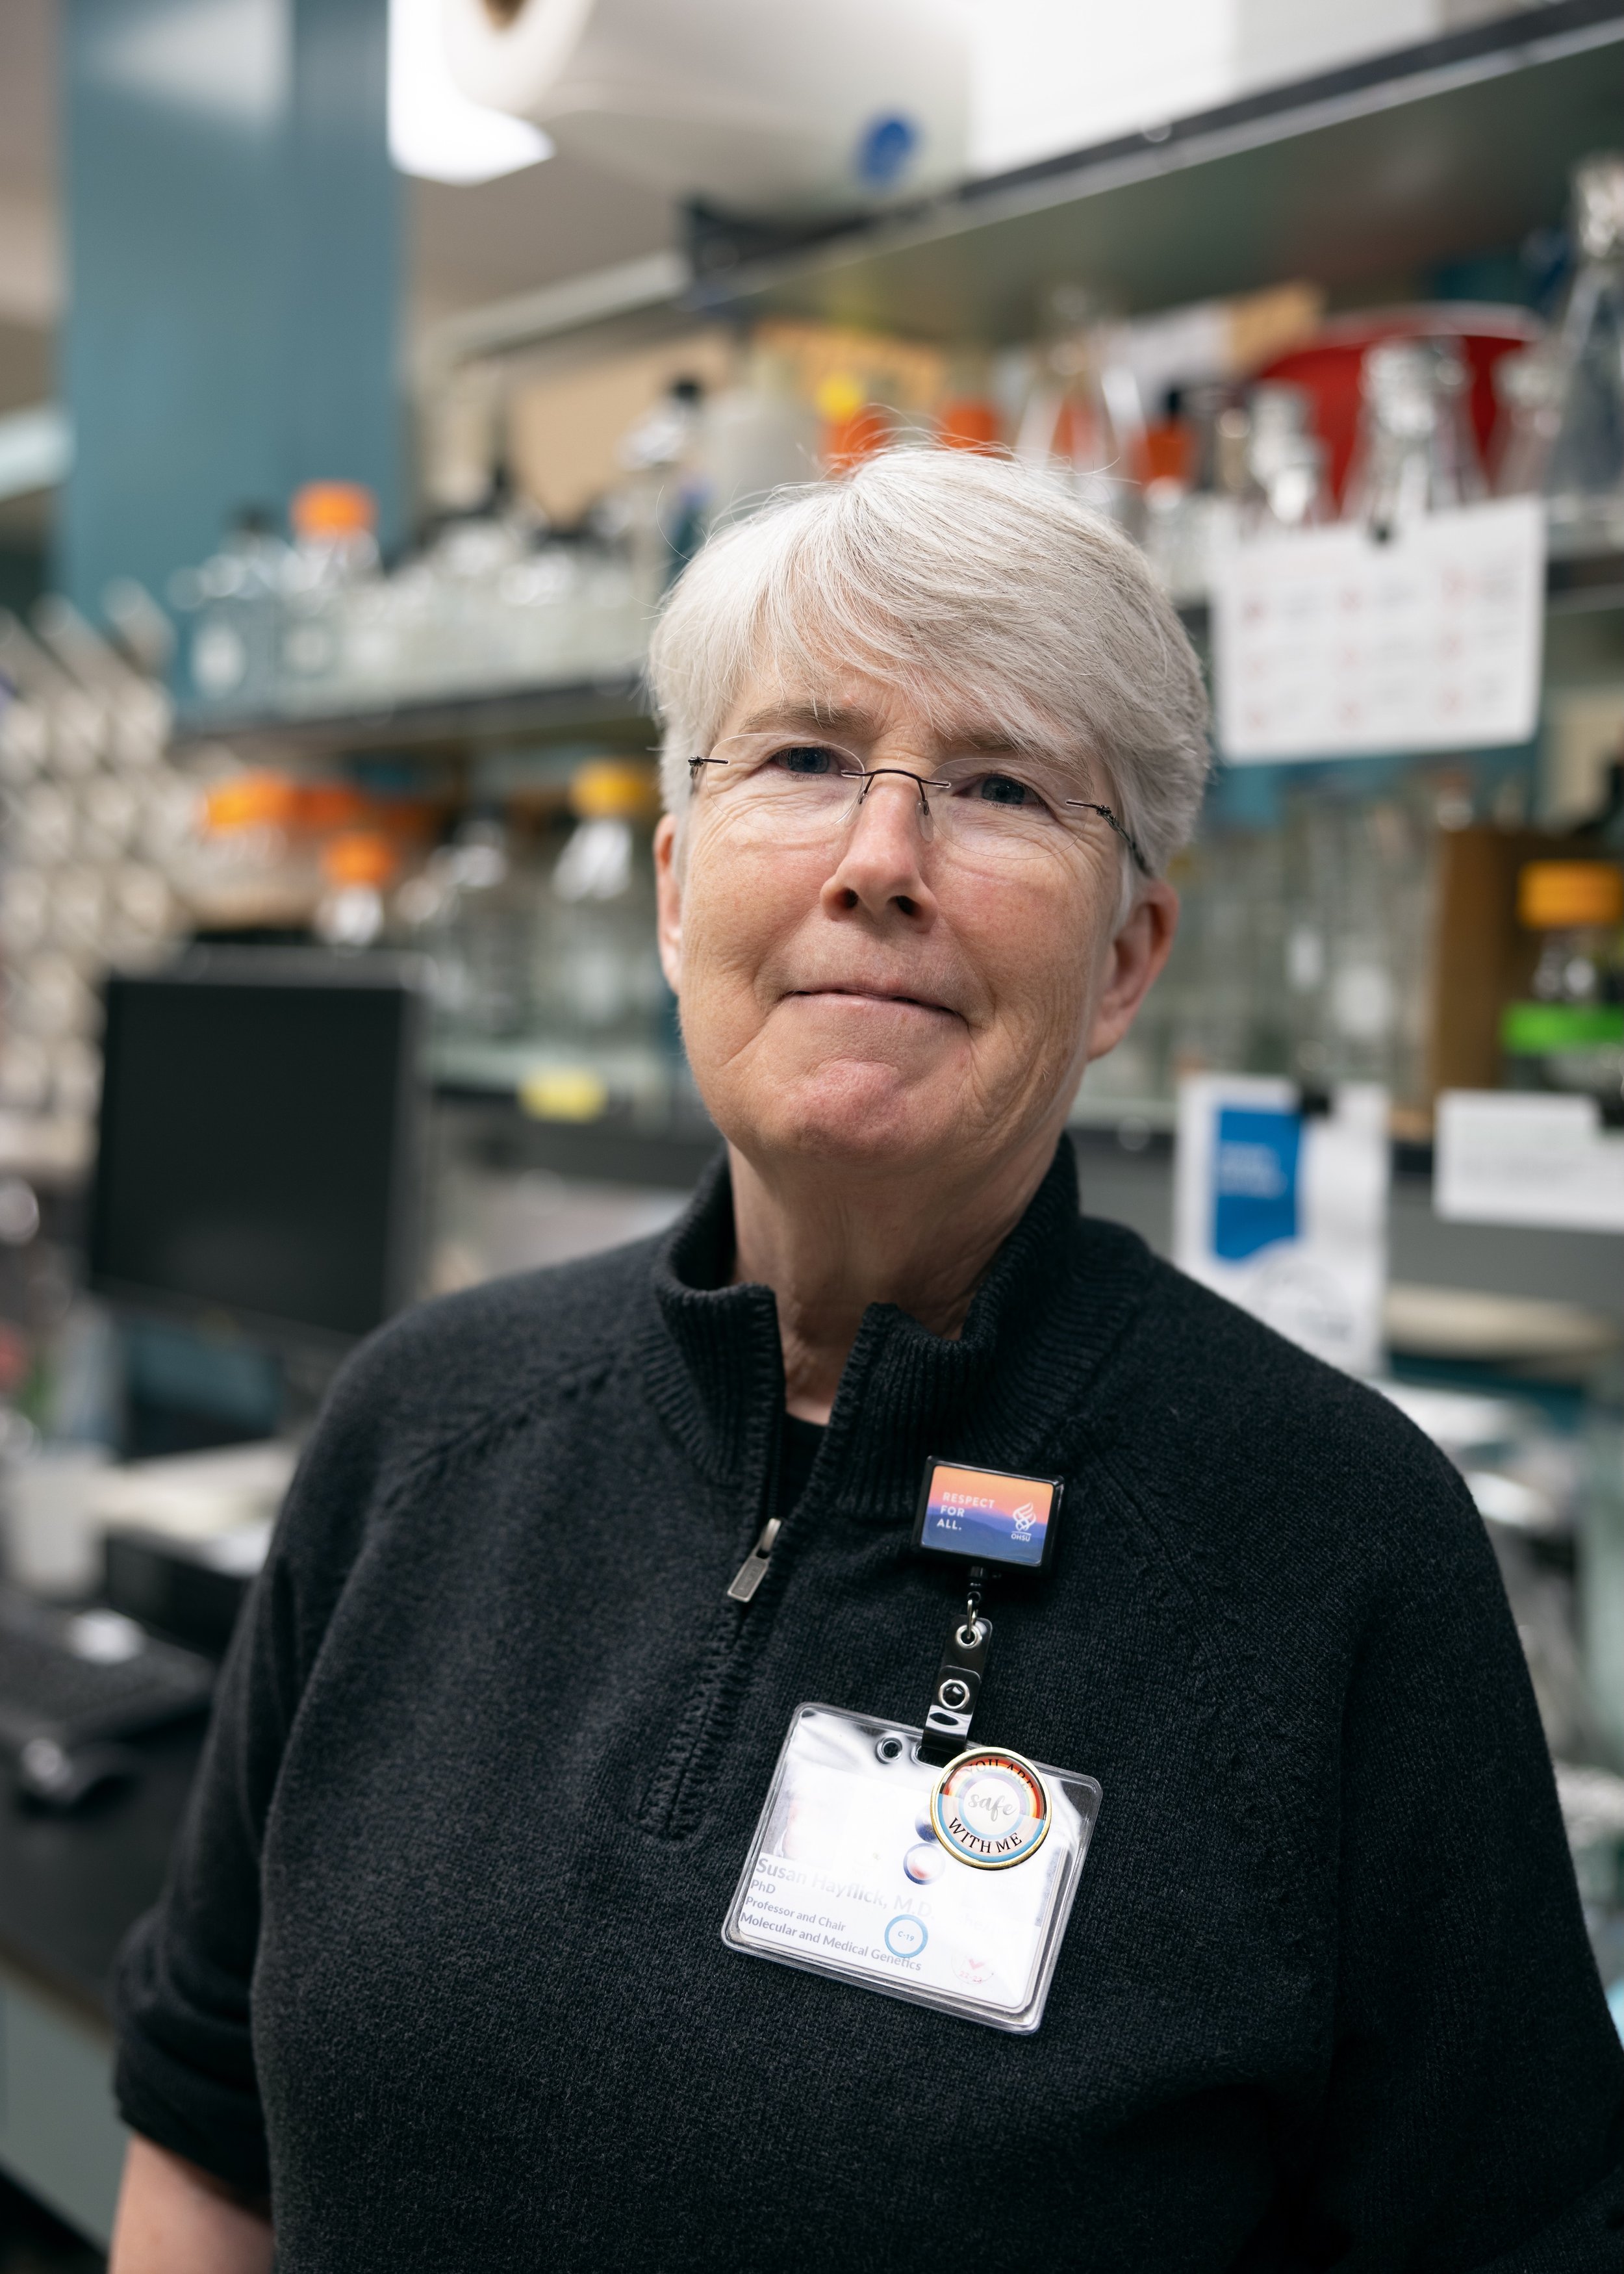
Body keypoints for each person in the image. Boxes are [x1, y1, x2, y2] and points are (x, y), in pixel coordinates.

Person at [109, 450, 1624, 2273]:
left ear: (1126, 956)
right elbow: (209, 2136)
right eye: (806, 759)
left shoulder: (1339, 1548)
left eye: (994, 785)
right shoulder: (422, 1427)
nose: (879, 861)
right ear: (676, 888)